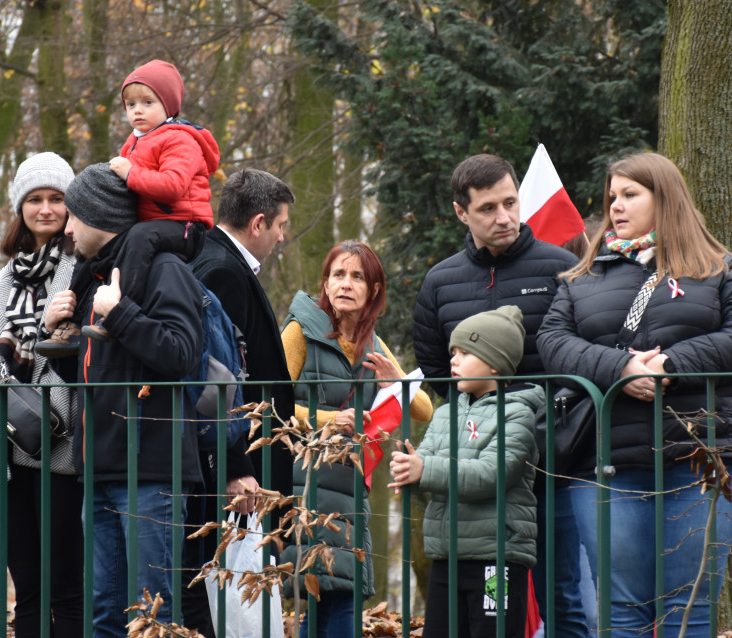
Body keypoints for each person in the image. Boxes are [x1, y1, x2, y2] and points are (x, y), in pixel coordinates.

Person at [536, 152, 732, 637]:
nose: (615, 206)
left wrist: (670, 366)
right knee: (622, 610)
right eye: (612, 197)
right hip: (607, 462)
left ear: (666, 198)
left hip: (703, 456)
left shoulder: (718, 268)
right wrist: (620, 367)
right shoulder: (583, 277)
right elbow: (553, 343)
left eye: (630, 194)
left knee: (692, 607)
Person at [413, 153, 589, 637]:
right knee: (479, 613)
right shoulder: (440, 283)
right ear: (460, 212)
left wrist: (552, 422)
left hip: (554, 464)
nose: (505, 216)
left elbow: (583, 356)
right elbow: (437, 372)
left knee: (564, 595)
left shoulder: (564, 269)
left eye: (511, 202)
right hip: (475, 483)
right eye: (488, 208)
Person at [44, 163, 203, 636]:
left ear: (100, 215)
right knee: (105, 617)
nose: (66, 228)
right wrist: (58, 336)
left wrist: (121, 314)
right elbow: (93, 376)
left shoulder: (163, 269)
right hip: (101, 466)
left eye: (73, 216)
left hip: (153, 470)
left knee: (152, 615)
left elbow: (180, 354)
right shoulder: (93, 277)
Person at [0, 152, 83, 637]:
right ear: (20, 207)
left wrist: (50, 328)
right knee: (26, 588)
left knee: (67, 586)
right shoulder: (0, 282)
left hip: (60, 445)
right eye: (35, 199)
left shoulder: (85, 270)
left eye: (56, 198)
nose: (46, 209)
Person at [280, 240, 433, 638]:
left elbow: (424, 410)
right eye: (338, 275)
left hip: (350, 496)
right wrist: (331, 420)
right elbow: (268, 404)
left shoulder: (373, 345)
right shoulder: (300, 331)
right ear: (326, 284)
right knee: (323, 596)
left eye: (357, 276)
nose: (345, 284)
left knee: (337, 596)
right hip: (304, 488)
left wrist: (394, 382)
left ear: (374, 290)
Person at [184, 168, 297, 636]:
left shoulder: (220, 261)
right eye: (281, 226)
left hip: (239, 465)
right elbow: (217, 379)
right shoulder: (222, 272)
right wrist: (232, 466)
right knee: (218, 603)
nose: (283, 237)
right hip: (234, 473)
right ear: (257, 223)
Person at [390, 305, 540, 638]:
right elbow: (426, 466)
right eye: (452, 352)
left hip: (496, 557)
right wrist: (407, 471)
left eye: (465, 352)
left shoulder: (517, 414)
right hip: (447, 554)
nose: (453, 360)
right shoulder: (446, 413)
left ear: (495, 362)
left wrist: (424, 469)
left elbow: (492, 474)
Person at [75, 58, 219, 341]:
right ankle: (70, 315)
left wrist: (130, 174)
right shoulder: (134, 140)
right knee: (99, 247)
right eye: (131, 104)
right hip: (152, 224)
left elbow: (173, 186)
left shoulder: (180, 139)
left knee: (140, 236)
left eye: (147, 102)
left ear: (168, 105)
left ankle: (121, 310)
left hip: (184, 226)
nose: (137, 110)